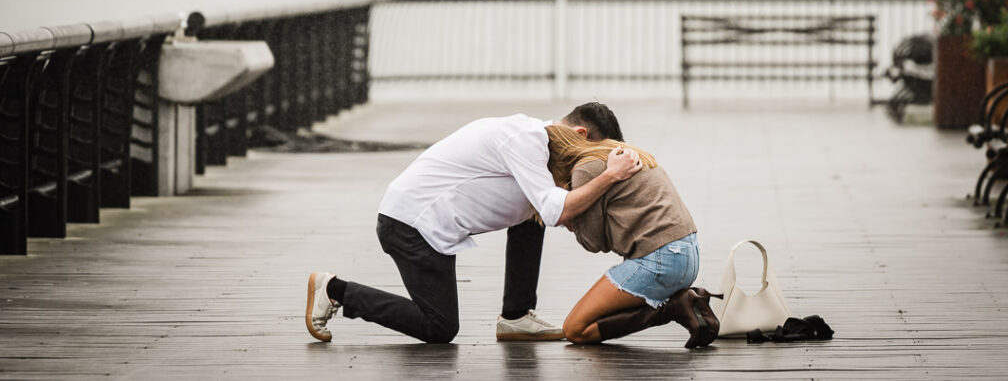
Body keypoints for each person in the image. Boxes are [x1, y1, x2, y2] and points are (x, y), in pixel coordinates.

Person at [305, 102, 640, 344]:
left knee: (533, 214)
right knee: (439, 328)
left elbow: (549, 208)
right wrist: (610, 176)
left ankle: (516, 316)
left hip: (425, 221)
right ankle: (335, 290)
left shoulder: (538, 145)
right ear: (580, 133)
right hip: (411, 225)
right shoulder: (526, 138)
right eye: (592, 155)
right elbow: (557, 211)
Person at [545, 124, 721, 348]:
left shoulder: (584, 171)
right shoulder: (618, 152)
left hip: (659, 260)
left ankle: (673, 308)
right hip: (687, 256)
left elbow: (593, 242)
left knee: (575, 329)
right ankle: (678, 304)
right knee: (594, 316)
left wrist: (567, 210)